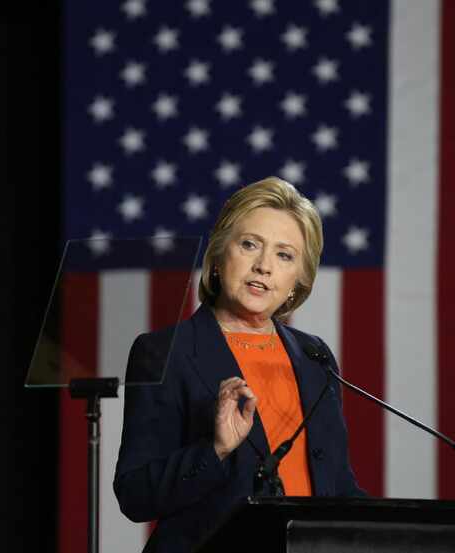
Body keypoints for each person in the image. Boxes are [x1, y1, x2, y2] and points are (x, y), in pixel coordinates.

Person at [114, 177, 364, 553]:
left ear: (297, 280)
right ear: (218, 257)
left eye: (284, 255)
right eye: (250, 245)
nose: (264, 266)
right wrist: (215, 448)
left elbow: (337, 486)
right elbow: (135, 494)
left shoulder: (316, 358)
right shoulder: (164, 351)